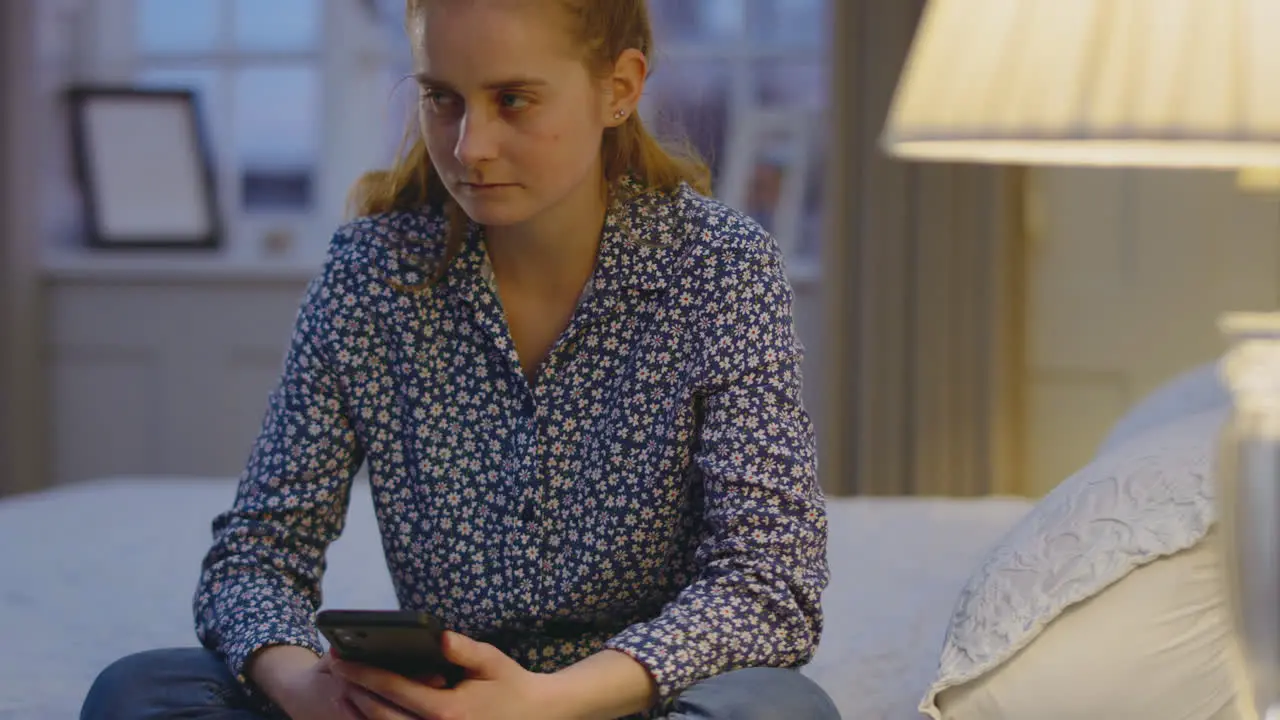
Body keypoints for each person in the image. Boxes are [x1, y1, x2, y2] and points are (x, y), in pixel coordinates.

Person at [79, 0, 837, 718]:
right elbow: (256, 554)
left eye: (514, 99)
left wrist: (542, 703)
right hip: (430, 700)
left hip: (628, 695)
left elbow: (768, 584)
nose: (470, 147)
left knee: (779, 709)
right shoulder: (371, 275)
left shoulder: (720, 269)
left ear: (620, 89)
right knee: (138, 691)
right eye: (442, 99)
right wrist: (305, 687)